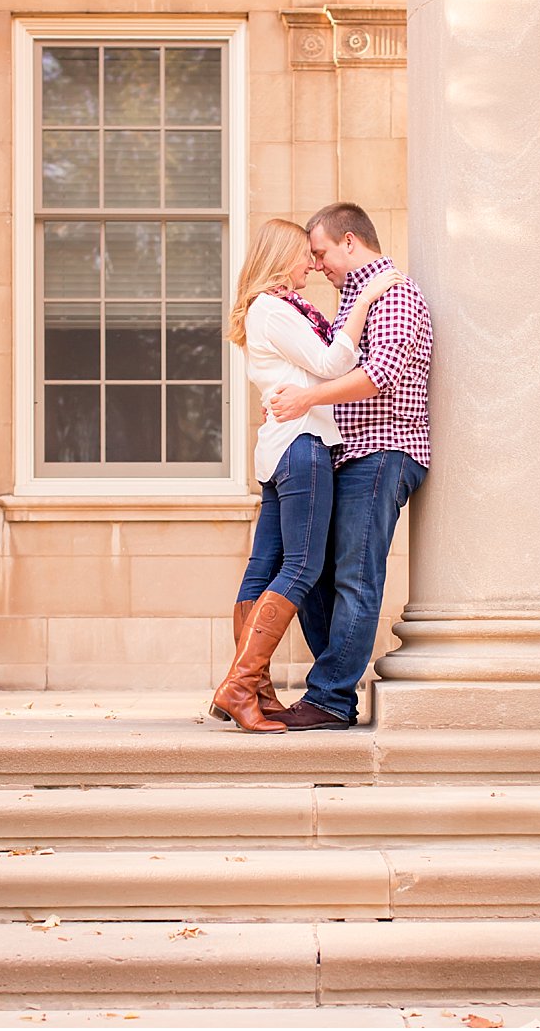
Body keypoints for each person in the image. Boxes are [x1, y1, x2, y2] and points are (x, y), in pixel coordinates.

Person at [210, 218, 404, 733]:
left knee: (265, 566)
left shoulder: (269, 310)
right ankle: (239, 684)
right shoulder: (274, 308)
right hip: (303, 448)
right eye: (306, 256)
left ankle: (253, 689)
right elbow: (331, 362)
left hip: (279, 451)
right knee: (302, 567)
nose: (312, 266)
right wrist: (365, 303)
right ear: (281, 259)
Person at [264, 202, 432, 731]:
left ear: (351, 242)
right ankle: (333, 684)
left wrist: (306, 402)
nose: (316, 266)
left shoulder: (396, 293)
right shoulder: (356, 300)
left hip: (383, 453)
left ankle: (332, 699)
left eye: (321, 253)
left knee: (355, 579)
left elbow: (378, 374)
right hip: (348, 454)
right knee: (313, 575)